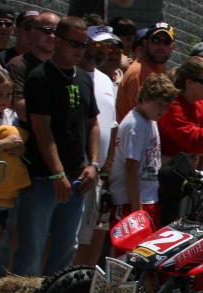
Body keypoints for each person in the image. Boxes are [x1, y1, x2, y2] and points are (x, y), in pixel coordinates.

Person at [14, 15, 99, 277]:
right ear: (58, 41)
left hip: (78, 177)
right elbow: (42, 130)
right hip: (44, 178)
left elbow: (93, 124)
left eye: (83, 45)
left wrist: (94, 164)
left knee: (65, 253)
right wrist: (57, 173)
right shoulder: (40, 78)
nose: (79, 50)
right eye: (74, 44)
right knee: (32, 250)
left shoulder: (85, 78)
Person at [74, 24, 120, 266]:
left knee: (93, 235)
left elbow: (111, 124)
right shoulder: (72, 75)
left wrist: (109, 161)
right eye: (98, 44)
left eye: (108, 45)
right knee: (71, 238)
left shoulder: (106, 81)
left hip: (100, 174)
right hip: (78, 171)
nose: (103, 51)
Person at [109, 73, 176, 226]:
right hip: (130, 200)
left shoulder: (150, 121)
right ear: (145, 98)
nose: (162, 110)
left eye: (166, 106)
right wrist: (136, 210)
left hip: (149, 196)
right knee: (129, 249)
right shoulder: (136, 125)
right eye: (159, 104)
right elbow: (131, 167)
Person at [157, 56, 203, 165]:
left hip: (181, 170)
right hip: (163, 173)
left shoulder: (199, 104)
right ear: (189, 82)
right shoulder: (173, 107)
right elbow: (196, 144)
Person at [0, 68, 28, 274]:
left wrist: (20, 147)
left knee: (0, 246)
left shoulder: (11, 117)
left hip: (5, 197)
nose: (4, 100)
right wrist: (1, 143)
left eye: (8, 95)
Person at [115, 22, 173, 121]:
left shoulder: (158, 70)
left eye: (166, 42)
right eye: (156, 40)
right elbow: (143, 117)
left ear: (172, 46)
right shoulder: (138, 72)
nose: (161, 46)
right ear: (145, 43)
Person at [6, 10, 58, 121]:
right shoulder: (18, 66)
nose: (53, 36)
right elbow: (19, 107)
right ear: (33, 33)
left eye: (57, 32)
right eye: (47, 31)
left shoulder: (65, 67)